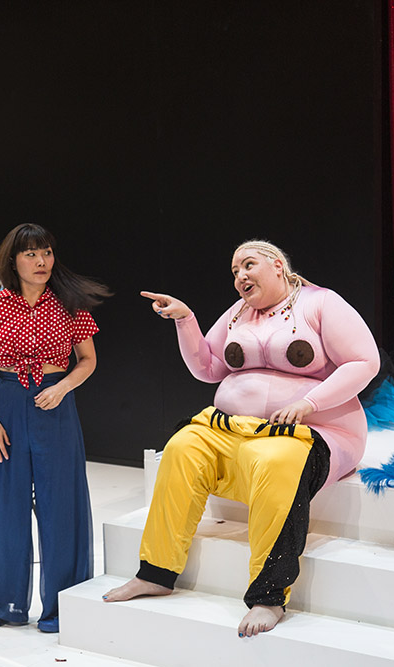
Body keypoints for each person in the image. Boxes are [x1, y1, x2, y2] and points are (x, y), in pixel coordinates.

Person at [103, 240, 379, 638]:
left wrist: (309, 403)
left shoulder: (320, 303)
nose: (240, 276)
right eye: (235, 271)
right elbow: (208, 368)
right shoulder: (238, 313)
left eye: (248, 265)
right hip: (237, 429)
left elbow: (364, 361)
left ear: (278, 265)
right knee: (183, 446)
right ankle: (156, 573)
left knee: (277, 460)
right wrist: (186, 320)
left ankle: (269, 595)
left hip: (314, 430)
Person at [0, 223, 110, 633]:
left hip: (54, 405)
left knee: (61, 504)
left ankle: (62, 605)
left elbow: (88, 360)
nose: (41, 261)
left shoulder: (69, 303)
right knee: (4, 505)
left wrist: (62, 387)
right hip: (7, 405)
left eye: (46, 252)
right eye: (30, 254)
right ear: (13, 261)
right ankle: (2, 602)